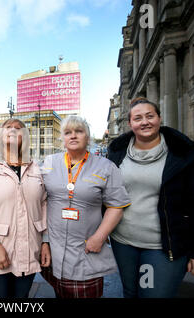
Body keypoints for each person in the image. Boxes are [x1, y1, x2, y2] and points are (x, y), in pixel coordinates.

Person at [107, 97, 194, 298]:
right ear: (130, 123)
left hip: (163, 246)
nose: (145, 122)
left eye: (150, 116)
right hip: (123, 242)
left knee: (153, 294)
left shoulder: (183, 155)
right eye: (138, 118)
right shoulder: (116, 154)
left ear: (159, 118)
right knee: (131, 293)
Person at [40, 115, 131, 298]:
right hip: (54, 250)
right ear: (63, 138)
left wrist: (99, 237)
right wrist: (45, 240)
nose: (73, 136)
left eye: (79, 131)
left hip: (86, 250)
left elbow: (116, 206)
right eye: (68, 132)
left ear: (87, 137)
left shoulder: (105, 166)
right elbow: (42, 201)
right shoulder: (50, 163)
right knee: (59, 293)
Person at [0, 118, 51, 298]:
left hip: (29, 250)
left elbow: (44, 204)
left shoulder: (35, 167)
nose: (13, 130)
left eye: (18, 128)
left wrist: (45, 241)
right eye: (8, 127)